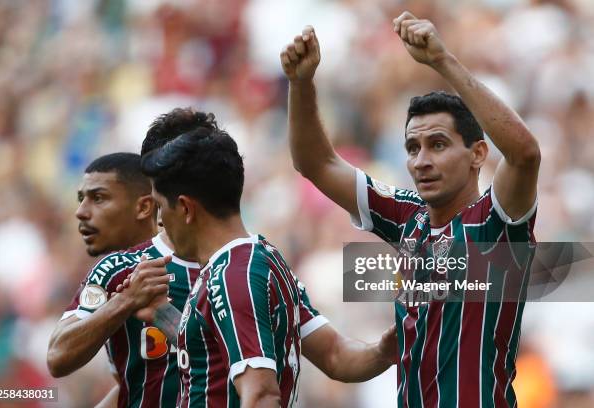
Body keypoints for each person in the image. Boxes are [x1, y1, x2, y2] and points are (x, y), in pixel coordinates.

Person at [281, 11, 540, 408]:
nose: (421, 161)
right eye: (412, 148)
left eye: (438, 144)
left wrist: (442, 61)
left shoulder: (497, 223)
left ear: (478, 154)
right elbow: (316, 164)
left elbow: (524, 154)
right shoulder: (408, 218)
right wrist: (300, 84)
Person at [115, 109, 398, 407]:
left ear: (185, 208)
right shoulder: (260, 259)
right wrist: (382, 351)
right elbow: (334, 355)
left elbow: (261, 396)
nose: (160, 221)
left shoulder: (234, 276)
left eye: (161, 206)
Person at [46, 150, 201, 408]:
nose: (81, 212)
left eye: (98, 198)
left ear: (143, 207)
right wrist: (127, 300)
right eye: (81, 199)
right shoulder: (113, 270)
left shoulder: (214, 261)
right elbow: (58, 356)